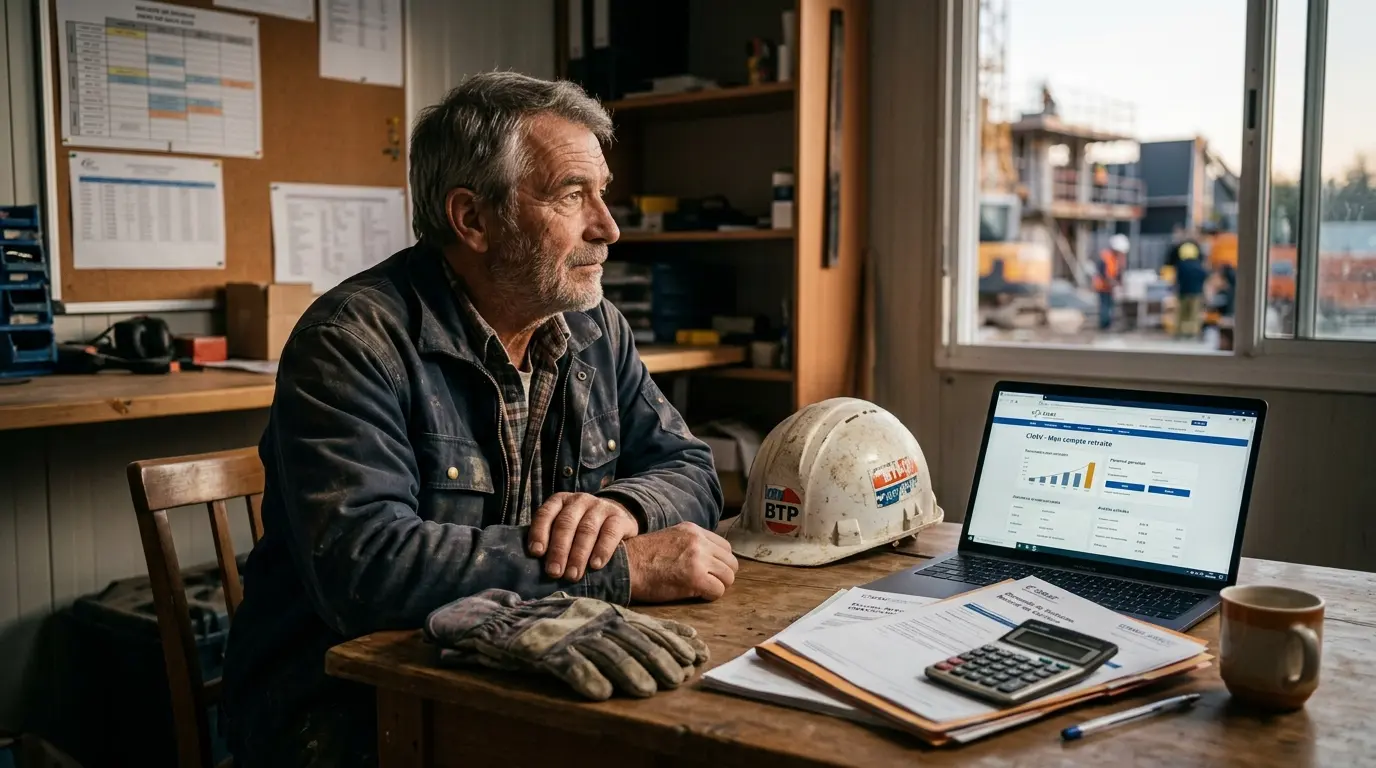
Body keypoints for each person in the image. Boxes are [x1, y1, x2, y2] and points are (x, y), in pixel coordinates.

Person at [222, 72, 737, 767]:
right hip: (345, 711)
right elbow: (367, 568)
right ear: (472, 219)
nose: (608, 227)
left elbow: (689, 466)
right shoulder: (352, 340)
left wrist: (623, 506)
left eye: (603, 192)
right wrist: (619, 568)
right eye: (571, 194)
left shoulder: (594, 329)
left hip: (511, 676)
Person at [1165, 228, 1209, 338]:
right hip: (1196, 292)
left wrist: (1175, 289)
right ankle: (1193, 333)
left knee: (1181, 314)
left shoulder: (1181, 266)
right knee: (1194, 314)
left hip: (1183, 292)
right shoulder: (1199, 266)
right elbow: (1204, 277)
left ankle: (1179, 332)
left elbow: (1177, 279)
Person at [1094, 234, 1128, 330]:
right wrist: (1113, 282)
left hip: (1109, 287)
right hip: (1103, 286)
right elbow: (1104, 274)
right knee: (1105, 306)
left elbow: (1117, 272)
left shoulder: (1116, 258)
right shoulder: (1106, 256)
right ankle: (1104, 325)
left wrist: (1118, 281)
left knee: (1109, 306)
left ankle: (1108, 324)